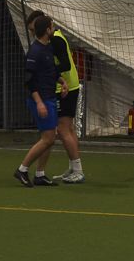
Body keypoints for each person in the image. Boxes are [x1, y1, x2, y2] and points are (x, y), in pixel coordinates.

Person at [26, 10, 85, 184]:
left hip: (64, 87)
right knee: (69, 129)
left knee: (62, 130)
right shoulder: (50, 40)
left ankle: (78, 170)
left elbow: (65, 64)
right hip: (67, 85)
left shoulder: (55, 40)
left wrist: (47, 71)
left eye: (34, 29)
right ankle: (74, 168)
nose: (33, 33)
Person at [14, 15, 69, 187]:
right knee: (48, 139)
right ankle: (22, 169)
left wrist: (62, 81)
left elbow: (50, 69)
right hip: (41, 100)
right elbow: (29, 80)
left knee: (49, 138)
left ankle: (40, 175)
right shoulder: (35, 51)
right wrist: (39, 102)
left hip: (50, 97)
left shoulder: (48, 47)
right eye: (52, 27)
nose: (54, 29)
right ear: (47, 30)